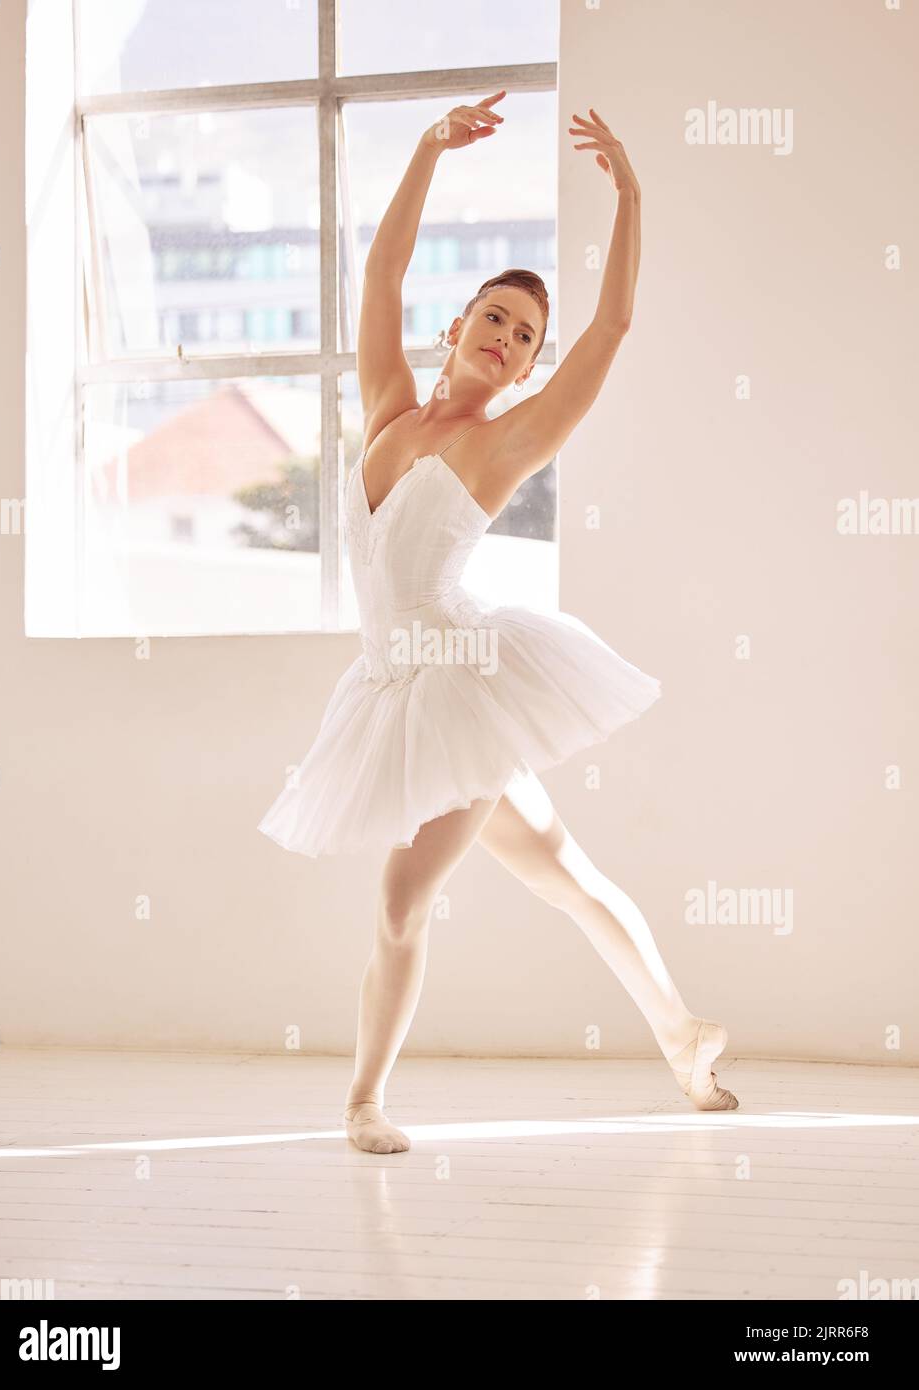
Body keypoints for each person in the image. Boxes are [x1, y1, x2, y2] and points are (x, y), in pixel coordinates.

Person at [258, 94, 738, 1153]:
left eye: (524, 338)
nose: (508, 338)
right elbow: (378, 275)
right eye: (495, 317)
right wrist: (428, 148)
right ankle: (681, 1032)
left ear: (524, 370)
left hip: (464, 680)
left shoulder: (505, 443)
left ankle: (362, 1103)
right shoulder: (388, 408)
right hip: (390, 688)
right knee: (561, 872)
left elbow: (610, 329)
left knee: (398, 897)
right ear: (459, 326)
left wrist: (633, 198)